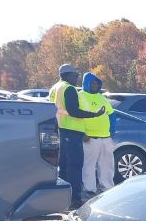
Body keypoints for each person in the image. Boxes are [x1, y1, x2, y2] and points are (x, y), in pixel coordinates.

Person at [47, 64, 104, 207]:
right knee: (75, 165)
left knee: (63, 166)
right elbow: (73, 111)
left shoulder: (54, 88)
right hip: (72, 132)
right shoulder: (69, 88)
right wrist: (94, 114)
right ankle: (75, 199)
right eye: (75, 75)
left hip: (60, 129)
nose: (77, 77)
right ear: (67, 75)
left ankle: (61, 198)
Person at [79, 72, 117, 197]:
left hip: (106, 137)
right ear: (86, 83)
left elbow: (112, 114)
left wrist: (112, 130)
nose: (95, 85)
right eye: (93, 83)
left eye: (97, 83)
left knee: (107, 164)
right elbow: (77, 116)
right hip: (90, 138)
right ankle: (90, 189)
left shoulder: (101, 97)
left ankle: (107, 187)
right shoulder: (80, 96)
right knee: (89, 164)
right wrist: (83, 133)